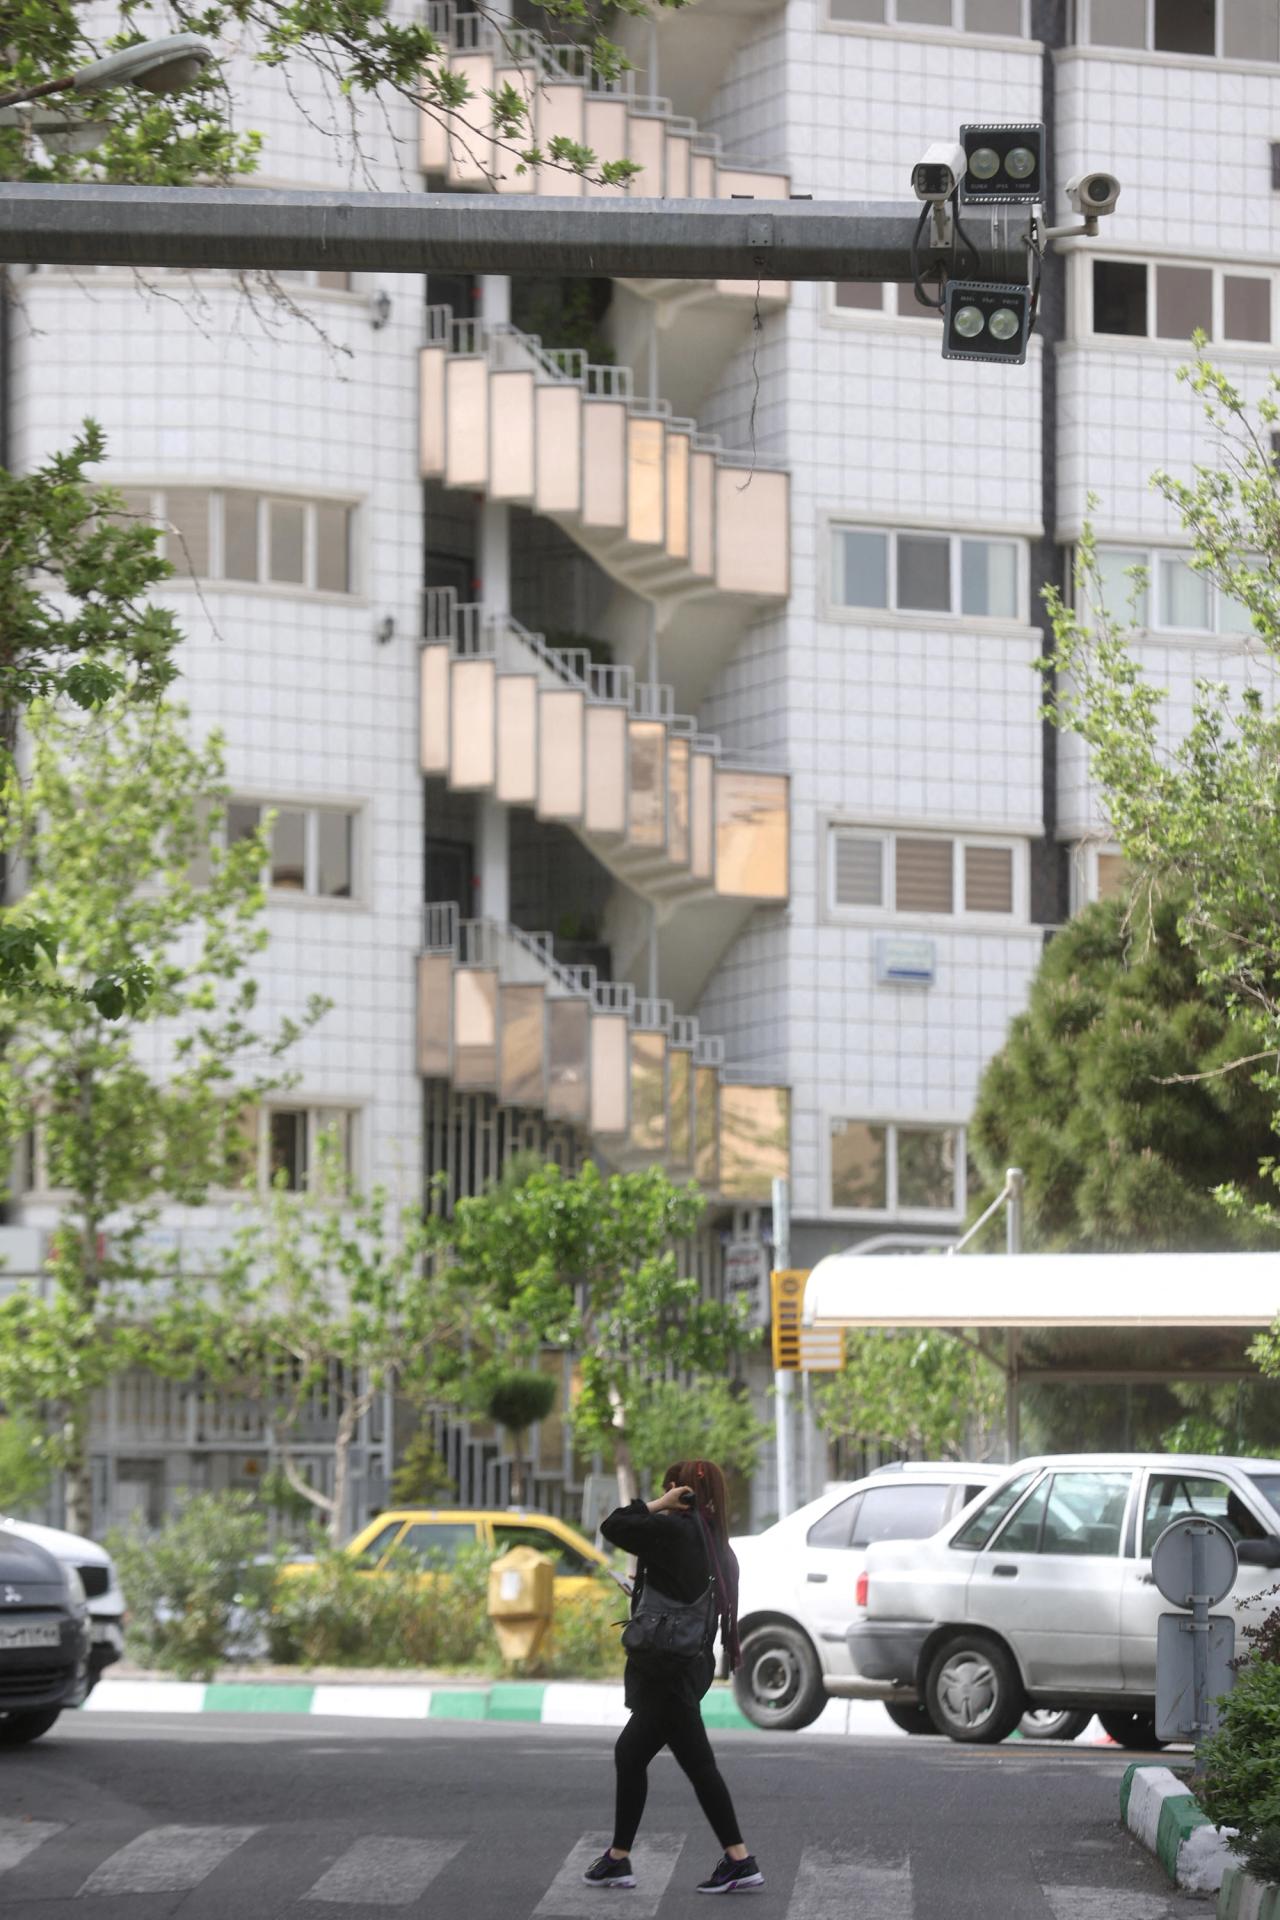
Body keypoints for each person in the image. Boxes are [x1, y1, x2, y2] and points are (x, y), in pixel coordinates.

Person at [583, 1458, 763, 1896]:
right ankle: (620, 1858)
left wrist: (658, 1503)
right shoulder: (719, 1545)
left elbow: (615, 1524)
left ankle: (734, 1861)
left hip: (665, 1666)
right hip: (691, 1664)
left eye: (670, 1487)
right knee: (665, 1758)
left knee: (662, 1758)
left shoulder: (675, 1530)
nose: (665, 1493)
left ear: (681, 1491)